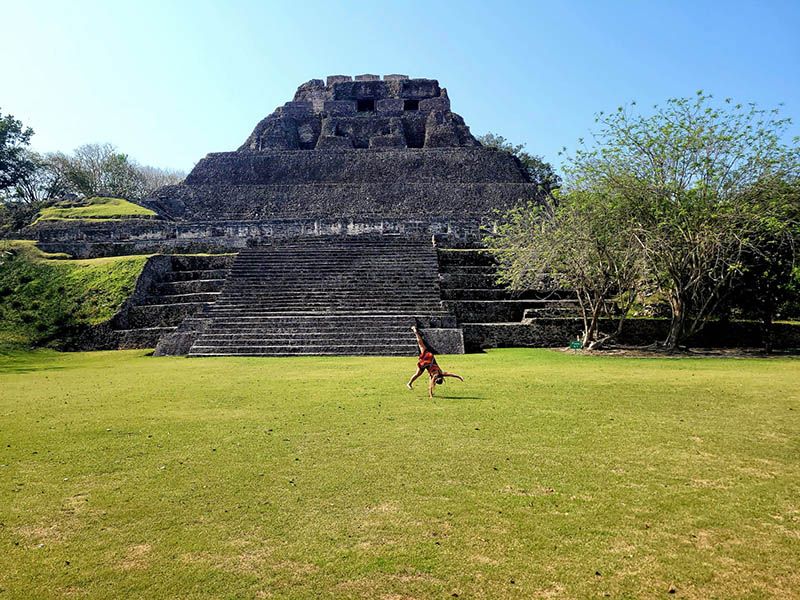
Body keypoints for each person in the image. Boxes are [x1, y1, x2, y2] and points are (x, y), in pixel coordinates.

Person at [406, 325, 464, 398]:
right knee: (417, 373)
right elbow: (431, 385)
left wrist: (459, 377)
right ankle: (409, 383)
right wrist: (430, 395)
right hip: (426, 362)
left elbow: (450, 375)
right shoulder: (437, 375)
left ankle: (416, 332)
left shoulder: (440, 374)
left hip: (428, 359)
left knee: (421, 345)